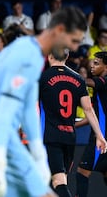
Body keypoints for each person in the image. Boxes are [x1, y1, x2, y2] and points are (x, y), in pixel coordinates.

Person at [0, 6, 88, 197]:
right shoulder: (28, 57)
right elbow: (5, 109)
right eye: (73, 40)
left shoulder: (26, 49)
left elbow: (27, 108)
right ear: (59, 30)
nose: (74, 48)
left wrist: (38, 154)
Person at [39, 51, 107, 197]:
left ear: (50, 56)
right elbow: (88, 109)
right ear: (67, 56)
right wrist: (100, 136)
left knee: (57, 182)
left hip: (50, 136)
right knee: (57, 181)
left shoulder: (42, 77)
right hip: (70, 137)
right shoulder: (78, 79)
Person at [75, 51, 107, 197]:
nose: (92, 66)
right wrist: (74, 125)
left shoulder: (103, 81)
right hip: (103, 136)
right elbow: (93, 115)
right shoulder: (101, 87)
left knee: (82, 173)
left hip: (100, 138)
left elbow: (87, 82)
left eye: (96, 63)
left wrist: (66, 74)